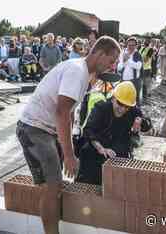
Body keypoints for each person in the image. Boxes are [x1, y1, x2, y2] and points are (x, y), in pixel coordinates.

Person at [16, 36, 120, 234]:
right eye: (111, 60)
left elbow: (70, 113)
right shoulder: (77, 71)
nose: (112, 66)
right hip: (35, 129)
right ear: (99, 53)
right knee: (52, 188)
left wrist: (67, 145)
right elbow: (61, 113)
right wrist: (70, 155)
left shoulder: (82, 72)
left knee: (54, 183)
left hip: (47, 129)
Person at [76, 81, 152, 185]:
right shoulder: (101, 109)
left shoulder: (132, 111)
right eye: (120, 104)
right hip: (95, 152)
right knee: (90, 181)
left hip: (118, 153)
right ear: (113, 98)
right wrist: (101, 148)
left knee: (116, 186)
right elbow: (88, 131)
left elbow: (148, 125)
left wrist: (141, 122)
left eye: (127, 106)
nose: (123, 109)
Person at [117, 37, 143, 105]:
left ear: (136, 46)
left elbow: (138, 66)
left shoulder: (137, 54)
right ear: (127, 45)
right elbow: (119, 68)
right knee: (123, 99)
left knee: (134, 100)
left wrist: (127, 60)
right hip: (123, 80)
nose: (131, 47)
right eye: (129, 45)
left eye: (133, 45)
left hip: (134, 81)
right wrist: (124, 61)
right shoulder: (123, 53)